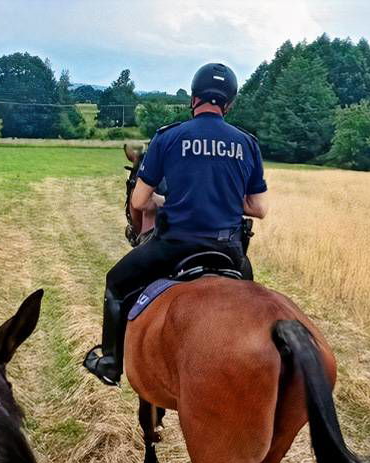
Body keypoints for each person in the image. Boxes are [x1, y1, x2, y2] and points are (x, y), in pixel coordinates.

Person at [83, 62, 270, 386]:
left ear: (194, 98)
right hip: (229, 250)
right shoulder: (246, 143)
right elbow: (259, 208)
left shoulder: (169, 137)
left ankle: (111, 363)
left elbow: (140, 202)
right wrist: (221, 194)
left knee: (115, 283)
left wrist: (173, 199)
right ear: (229, 103)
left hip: (175, 245)